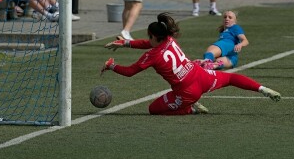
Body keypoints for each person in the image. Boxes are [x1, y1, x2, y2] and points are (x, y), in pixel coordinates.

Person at [102, 12, 281, 115]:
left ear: (155, 37)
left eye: (149, 36)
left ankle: (189, 109)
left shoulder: (152, 56)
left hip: (187, 92)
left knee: (153, 109)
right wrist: (125, 43)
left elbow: (130, 71)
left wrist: (111, 65)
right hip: (200, 76)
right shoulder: (168, 39)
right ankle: (262, 89)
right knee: (231, 78)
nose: (148, 39)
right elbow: (146, 43)